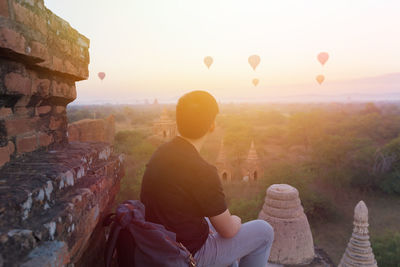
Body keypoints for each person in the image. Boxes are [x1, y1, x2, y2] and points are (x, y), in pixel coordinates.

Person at [140, 90, 274, 267]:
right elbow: (228, 230)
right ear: (212, 126)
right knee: (264, 231)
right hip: (186, 255)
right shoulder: (202, 170)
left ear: (178, 123)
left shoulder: (160, 153)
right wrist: (236, 220)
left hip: (158, 246)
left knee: (212, 221)